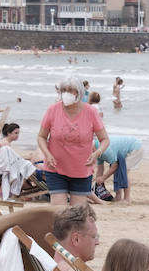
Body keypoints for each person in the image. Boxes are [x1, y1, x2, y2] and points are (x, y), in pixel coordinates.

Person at [37, 75, 109, 206]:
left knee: (77, 215)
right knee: (59, 213)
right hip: (55, 169)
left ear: (78, 92)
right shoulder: (52, 110)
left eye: (70, 90)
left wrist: (96, 153)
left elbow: (104, 139)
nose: (66, 93)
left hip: (82, 170)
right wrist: (47, 154)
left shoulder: (91, 112)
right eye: (63, 90)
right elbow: (41, 136)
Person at [95, 134, 143, 204]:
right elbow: (100, 169)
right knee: (118, 172)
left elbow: (114, 166)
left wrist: (103, 178)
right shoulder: (96, 152)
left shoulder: (105, 150)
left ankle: (127, 198)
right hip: (123, 151)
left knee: (123, 173)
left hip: (135, 148)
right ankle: (118, 196)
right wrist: (98, 182)